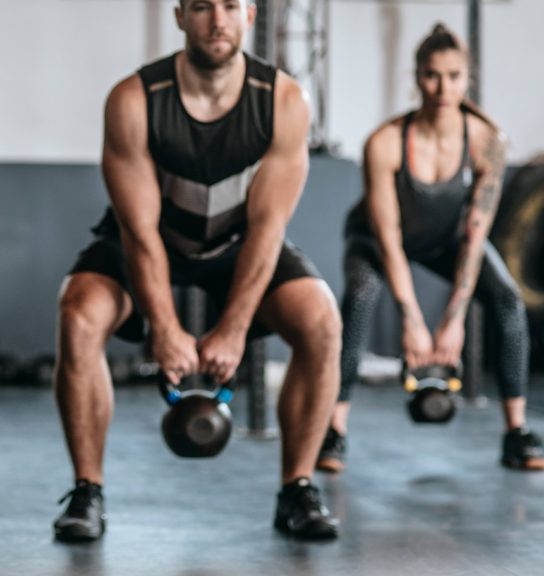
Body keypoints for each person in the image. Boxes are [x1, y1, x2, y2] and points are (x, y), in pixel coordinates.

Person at [51, 0, 340, 543]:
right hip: (151, 241)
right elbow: (138, 232)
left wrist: (232, 329)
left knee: (321, 319)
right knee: (78, 314)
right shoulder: (135, 100)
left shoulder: (283, 102)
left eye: (231, 5)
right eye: (203, 6)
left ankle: (297, 488)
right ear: (181, 15)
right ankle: (87, 489)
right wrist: (163, 327)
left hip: (240, 245)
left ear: (251, 14)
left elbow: (267, 229)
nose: (218, 19)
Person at [316, 24, 542, 474]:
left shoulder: (486, 143)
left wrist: (453, 322)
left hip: (447, 241)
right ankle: (334, 431)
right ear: (417, 77)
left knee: (506, 300)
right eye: (432, 75)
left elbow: (475, 237)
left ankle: (516, 433)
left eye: (454, 76)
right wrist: (414, 322)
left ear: (467, 79)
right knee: (360, 297)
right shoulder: (384, 143)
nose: (443, 87)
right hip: (377, 240)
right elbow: (389, 236)